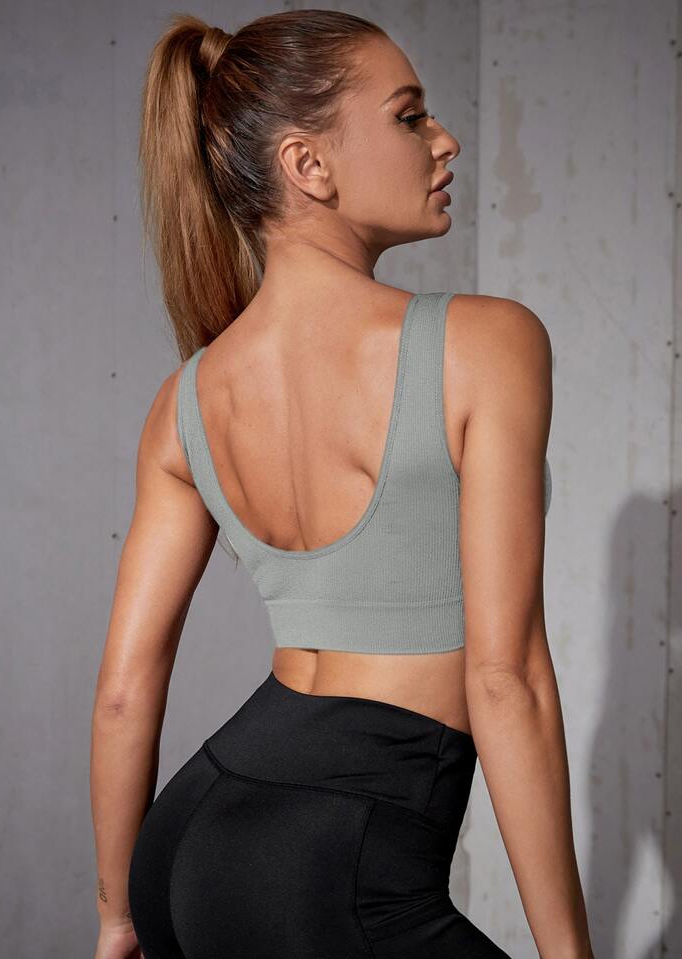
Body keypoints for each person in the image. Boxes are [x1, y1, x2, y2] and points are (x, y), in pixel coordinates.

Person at [90, 9, 595, 959]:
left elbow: (124, 688)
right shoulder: (487, 343)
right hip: (330, 866)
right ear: (308, 165)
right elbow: (506, 677)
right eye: (409, 115)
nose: (444, 139)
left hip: (189, 840)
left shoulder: (185, 398)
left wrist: (120, 912)